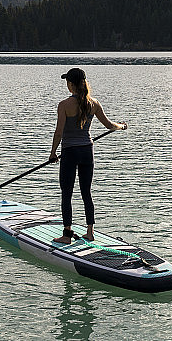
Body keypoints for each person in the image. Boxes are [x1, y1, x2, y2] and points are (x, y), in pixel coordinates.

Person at [50, 68, 126, 244]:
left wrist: (53, 153)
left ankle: (67, 235)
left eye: (67, 82)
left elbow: (59, 132)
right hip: (87, 152)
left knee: (67, 194)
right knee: (86, 193)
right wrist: (121, 126)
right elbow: (109, 125)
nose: (67, 85)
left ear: (71, 84)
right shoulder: (94, 103)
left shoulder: (64, 105)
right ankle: (90, 232)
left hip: (69, 153)